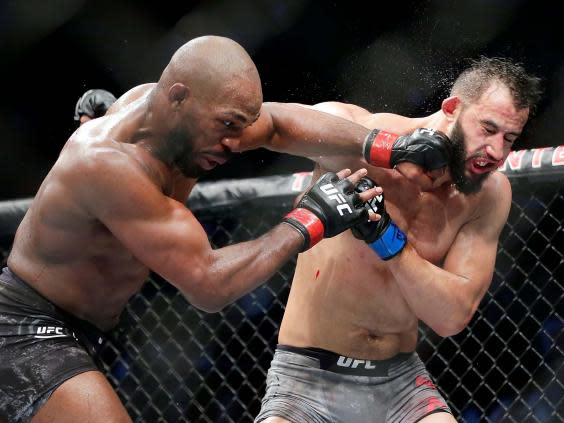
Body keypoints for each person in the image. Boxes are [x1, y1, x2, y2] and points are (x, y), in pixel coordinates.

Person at [0, 36, 448, 423]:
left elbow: (275, 123)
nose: (236, 142)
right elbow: (208, 283)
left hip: (95, 331)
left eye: (239, 124)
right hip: (27, 330)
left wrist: (387, 147)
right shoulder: (108, 165)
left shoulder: (183, 118)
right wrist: (312, 219)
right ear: (177, 97)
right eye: (228, 126)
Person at [248, 57, 542, 423]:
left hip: (399, 384)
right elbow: (271, 123)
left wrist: (387, 239)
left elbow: (452, 316)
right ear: (451, 108)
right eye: (488, 129)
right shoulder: (364, 135)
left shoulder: (489, 194)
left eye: (509, 139)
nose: (497, 152)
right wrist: (384, 148)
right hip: (308, 377)